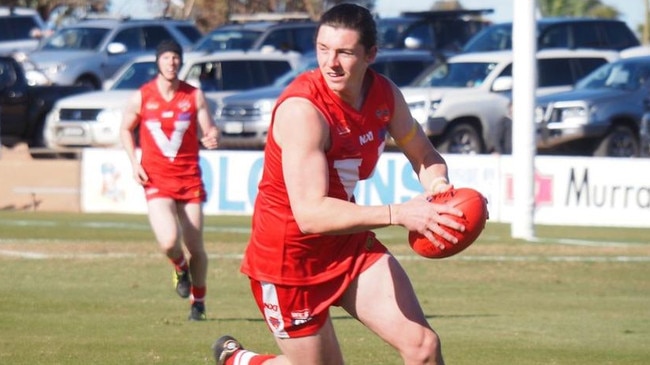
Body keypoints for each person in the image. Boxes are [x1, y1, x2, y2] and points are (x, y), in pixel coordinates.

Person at [212, 3, 464, 364]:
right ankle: (242, 361)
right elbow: (311, 215)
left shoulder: (385, 96)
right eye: (323, 49)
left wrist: (440, 188)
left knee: (423, 347)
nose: (331, 62)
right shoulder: (304, 111)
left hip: (346, 245)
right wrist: (398, 213)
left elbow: (424, 154)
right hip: (289, 261)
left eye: (344, 52)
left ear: (370, 55)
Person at [120, 39, 219, 321]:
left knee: (196, 248)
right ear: (158, 62)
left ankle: (198, 302)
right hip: (157, 180)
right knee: (168, 242)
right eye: (166, 58)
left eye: (176, 58)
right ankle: (178, 267)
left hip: (189, 181)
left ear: (180, 62)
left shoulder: (194, 95)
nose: (171, 62)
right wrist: (133, 161)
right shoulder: (142, 96)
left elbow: (209, 128)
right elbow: (125, 129)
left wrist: (212, 137)